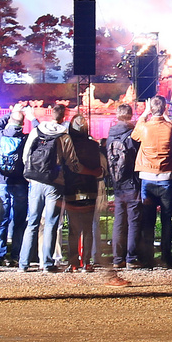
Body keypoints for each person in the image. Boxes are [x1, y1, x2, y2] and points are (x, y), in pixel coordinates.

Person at [20, 104, 75, 272]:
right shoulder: (64, 135)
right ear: (64, 117)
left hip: (35, 180)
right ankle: (47, 263)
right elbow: (72, 161)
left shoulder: (37, 131)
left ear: (51, 115)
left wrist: (32, 174)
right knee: (51, 222)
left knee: (32, 222)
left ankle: (23, 263)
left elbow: (26, 155)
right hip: (55, 182)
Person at [133, 96, 172, 268]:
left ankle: (148, 258)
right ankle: (166, 258)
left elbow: (134, 134)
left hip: (147, 176)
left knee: (148, 220)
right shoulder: (170, 127)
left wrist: (144, 114)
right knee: (167, 219)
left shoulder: (145, 127)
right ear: (165, 108)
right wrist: (166, 116)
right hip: (166, 178)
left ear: (150, 109)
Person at [61, 114, 105, 271]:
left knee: (73, 230)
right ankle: (86, 262)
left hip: (71, 190)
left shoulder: (67, 144)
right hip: (90, 191)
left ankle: (73, 262)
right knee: (87, 229)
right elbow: (99, 169)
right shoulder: (93, 146)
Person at [105, 105, 144, 271]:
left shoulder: (110, 135)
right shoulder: (133, 134)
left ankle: (117, 258)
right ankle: (131, 257)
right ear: (131, 115)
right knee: (133, 221)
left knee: (119, 221)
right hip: (132, 182)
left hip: (117, 183)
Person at [0, 107, 29, 267]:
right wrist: (30, 117)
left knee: (2, 220)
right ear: (22, 123)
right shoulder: (25, 138)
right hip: (20, 181)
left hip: (2, 181)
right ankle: (15, 255)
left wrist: (11, 112)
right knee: (19, 221)